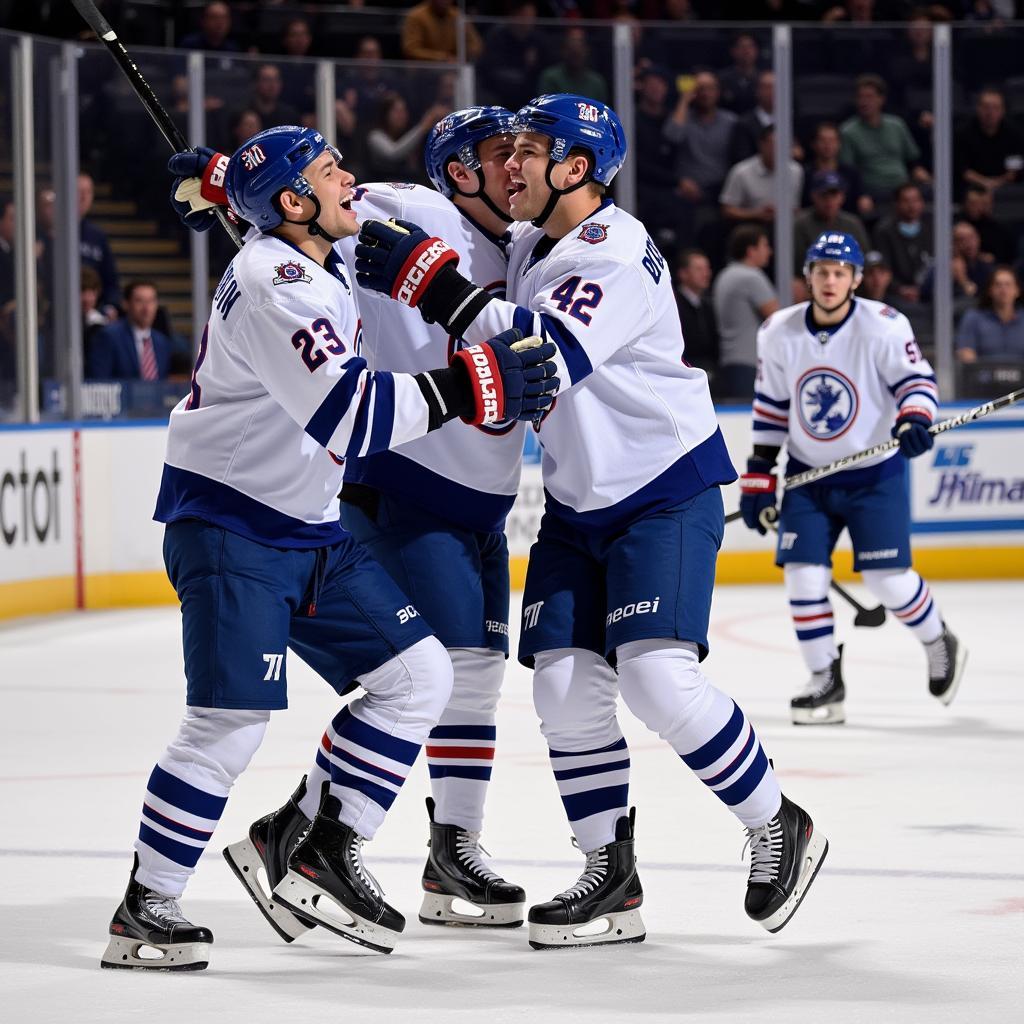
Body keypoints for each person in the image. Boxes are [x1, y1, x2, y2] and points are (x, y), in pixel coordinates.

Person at [354, 94, 827, 949]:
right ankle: (611, 878)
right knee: (564, 690)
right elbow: (374, 201)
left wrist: (433, 284)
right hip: (578, 504)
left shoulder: (615, 247)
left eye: (528, 152)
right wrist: (237, 183)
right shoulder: (534, 239)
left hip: (660, 491)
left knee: (655, 678)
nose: (509, 166)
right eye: (503, 153)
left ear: (575, 169)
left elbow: (539, 355)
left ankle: (776, 821)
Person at [100, 125, 558, 971]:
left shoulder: (321, 252)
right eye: (330, 171)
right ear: (294, 203)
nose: (352, 179)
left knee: (421, 675)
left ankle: (321, 847)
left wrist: (225, 175)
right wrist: (475, 381)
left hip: (309, 525)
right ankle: (146, 906)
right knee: (228, 726)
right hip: (233, 525)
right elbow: (352, 415)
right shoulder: (277, 280)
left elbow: (340, 228)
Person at [739, 232, 966, 728]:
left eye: (840, 272)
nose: (829, 281)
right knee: (804, 577)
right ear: (808, 275)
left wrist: (913, 419)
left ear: (856, 279)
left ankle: (937, 640)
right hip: (808, 474)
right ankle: (825, 680)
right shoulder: (778, 331)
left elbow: (917, 382)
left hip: (872, 473)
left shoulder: (883, 326)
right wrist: (759, 473)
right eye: (821, 271)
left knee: (888, 580)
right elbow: (773, 406)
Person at [712, 224, 779, 400]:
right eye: (765, 246)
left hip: (729, 362)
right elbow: (777, 319)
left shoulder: (724, 275)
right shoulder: (751, 277)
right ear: (751, 250)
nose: (769, 252)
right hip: (749, 364)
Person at [839, 74, 930, 201]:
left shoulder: (897, 125)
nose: (864, 102)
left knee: (933, 190)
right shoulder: (848, 131)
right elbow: (848, 170)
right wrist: (861, 195)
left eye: (869, 97)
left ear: (881, 99)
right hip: (873, 190)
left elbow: (912, 160)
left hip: (903, 187)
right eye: (860, 97)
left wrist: (919, 171)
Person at [665, 71, 739, 208]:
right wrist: (685, 99)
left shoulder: (731, 121)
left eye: (710, 88)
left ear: (718, 92)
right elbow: (672, 137)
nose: (705, 94)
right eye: (700, 89)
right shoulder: (682, 117)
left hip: (720, 191)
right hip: (686, 190)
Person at [792, 171, 869, 295]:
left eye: (834, 195)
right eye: (824, 196)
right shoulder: (801, 223)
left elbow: (865, 257)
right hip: (813, 279)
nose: (829, 201)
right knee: (795, 285)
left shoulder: (852, 223)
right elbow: (796, 264)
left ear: (842, 197)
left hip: (849, 277)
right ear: (814, 196)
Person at [719, 124, 803, 229]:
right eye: (774, 146)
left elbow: (797, 208)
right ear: (761, 145)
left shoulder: (796, 170)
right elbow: (727, 210)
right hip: (751, 226)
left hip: (787, 227)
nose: (779, 151)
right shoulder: (741, 171)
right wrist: (756, 214)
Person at [86, 280, 170, 381]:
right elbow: (99, 383)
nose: (146, 308)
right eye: (139, 301)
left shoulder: (162, 342)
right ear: (125, 304)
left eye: (151, 301)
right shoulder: (109, 337)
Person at [954, 86, 1024, 196]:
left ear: (1003, 111)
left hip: (1005, 187)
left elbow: (1013, 172)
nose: (990, 112)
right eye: (986, 107)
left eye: (995, 108)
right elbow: (963, 170)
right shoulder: (963, 133)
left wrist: (995, 184)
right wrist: (985, 183)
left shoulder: (1014, 134)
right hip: (970, 187)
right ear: (978, 108)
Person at [365, 93, 449, 182]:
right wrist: (422, 127)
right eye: (397, 111)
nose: (402, 116)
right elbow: (394, 153)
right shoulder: (375, 136)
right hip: (383, 186)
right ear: (385, 114)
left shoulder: (407, 133)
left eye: (404, 111)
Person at [872, 182, 933, 305]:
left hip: (928, 292)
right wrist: (900, 289)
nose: (912, 206)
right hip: (896, 294)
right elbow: (883, 267)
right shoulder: (884, 231)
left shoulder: (932, 228)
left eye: (916, 200)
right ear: (896, 204)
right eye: (906, 201)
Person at [801, 121, 870, 218]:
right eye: (823, 140)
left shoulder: (852, 173)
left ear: (839, 144)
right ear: (813, 144)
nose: (827, 145)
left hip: (846, 224)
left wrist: (864, 201)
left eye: (832, 140)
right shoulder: (804, 174)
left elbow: (862, 198)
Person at [956, 265, 1024, 364]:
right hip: (983, 377)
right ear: (990, 290)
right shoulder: (973, 319)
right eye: (998, 285)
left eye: (1008, 284)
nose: (1003, 290)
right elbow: (966, 352)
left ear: (1017, 291)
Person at [78, 173, 120, 317]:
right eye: (79, 191)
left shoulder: (97, 236)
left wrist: (110, 306)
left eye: (88, 192)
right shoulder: (52, 232)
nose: (83, 197)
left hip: (93, 312)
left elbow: (111, 281)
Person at [674, 247, 719, 378]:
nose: (706, 273)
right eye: (699, 269)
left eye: (707, 268)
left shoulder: (707, 305)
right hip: (683, 372)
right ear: (683, 273)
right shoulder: (674, 304)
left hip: (709, 371)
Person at [537, 28, 609, 104]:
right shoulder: (550, 78)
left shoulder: (596, 83)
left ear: (587, 50)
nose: (576, 48)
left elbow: (601, 112)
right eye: (572, 50)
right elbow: (544, 110)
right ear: (564, 50)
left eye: (579, 47)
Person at [401, 0, 483, 63]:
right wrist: (441, 58)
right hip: (424, 69)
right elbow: (411, 50)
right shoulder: (416, 16)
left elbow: (475, 45)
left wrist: (466, 56)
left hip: (454, 67)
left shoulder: (457, 16)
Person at [957, 183, 1014, 265]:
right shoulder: (957, 226)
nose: (979, 207)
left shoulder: (999, 230)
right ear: (965, 203)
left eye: (984, 204)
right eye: (973, 203)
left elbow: (1005, 257)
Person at [717, 32, 763, 115]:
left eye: (750, 47)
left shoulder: (763, 79)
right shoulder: (721, 79)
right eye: (742, 47)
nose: (746, 51)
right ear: (733, 51)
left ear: (757, 51)